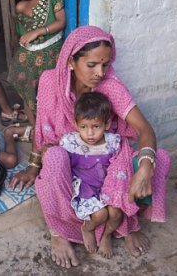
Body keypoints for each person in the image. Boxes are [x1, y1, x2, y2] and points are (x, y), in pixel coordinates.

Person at [10, 26, 170, 268]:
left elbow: (145, 130)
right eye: (92, 65)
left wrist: (145, 169)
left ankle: (125, 224)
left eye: (105, 65)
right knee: (53, 158)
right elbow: (43, 128)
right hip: (72, 163)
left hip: (106, 160)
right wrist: (33, 165)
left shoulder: (110, 86)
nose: (100, 72)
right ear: (71, 61)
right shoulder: (50, 82)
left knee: (160, 158)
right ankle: (61, 232)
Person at [60, 91, 122, 258]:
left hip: (106, 185)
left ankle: (107, 235)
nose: (89, 134)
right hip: (84, 187)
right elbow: (60, 166)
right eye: (83, 127)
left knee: (116, 213)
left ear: (107, 124)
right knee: (101, 214)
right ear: (76, 124)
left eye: (96, 127)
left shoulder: (113, 143)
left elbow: (119, 166)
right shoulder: (70, 143)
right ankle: (88, 228)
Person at [5, 0, 66, 141]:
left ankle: (51, 131)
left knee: (50, 94)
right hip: (29, 56)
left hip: (51, 54)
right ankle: (36, 132)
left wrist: (38, 31)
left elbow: (61, 22)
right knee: (28, 94)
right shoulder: (20, 7)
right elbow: (22, 33)